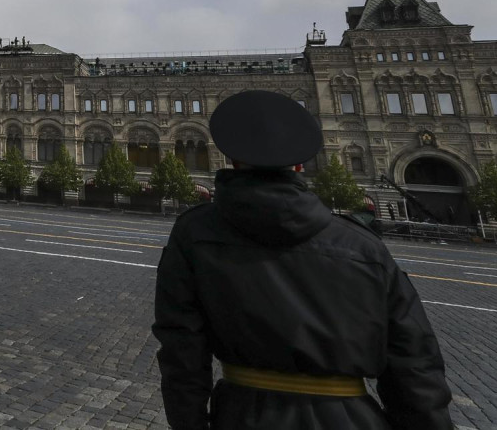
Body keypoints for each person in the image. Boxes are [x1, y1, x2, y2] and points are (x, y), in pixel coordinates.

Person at [153, 90, 452, 430]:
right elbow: (416, 367)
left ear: (233, 159)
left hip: (243, 416)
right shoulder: (365, 247)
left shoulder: (195, 233)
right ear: (299, 164)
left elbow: (182, 353)